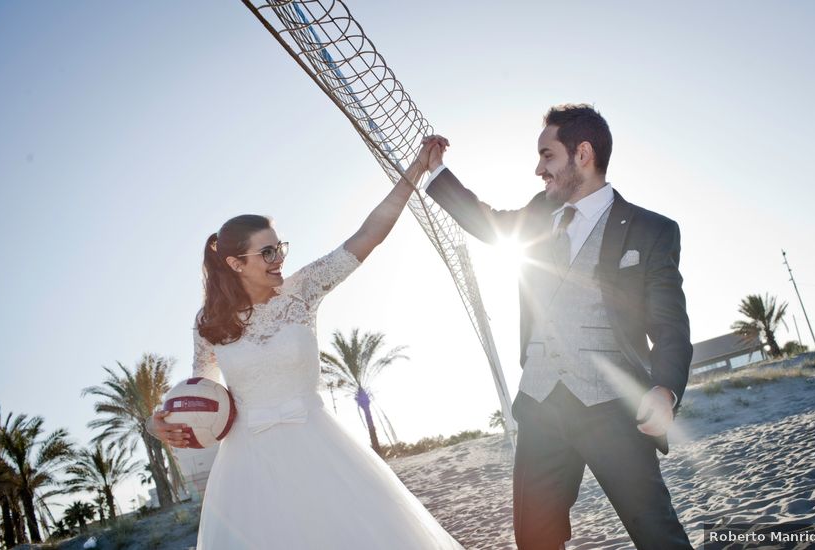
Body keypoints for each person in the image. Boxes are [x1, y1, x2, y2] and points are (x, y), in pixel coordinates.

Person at [148, 142, 463, 549]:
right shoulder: (209, 323)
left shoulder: (303, 291)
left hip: (321, 450)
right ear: (235, 264)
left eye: (279, 247)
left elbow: (369, 234)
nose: (278, 258)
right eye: (266, 252)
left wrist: (416, 168)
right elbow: (200, 391)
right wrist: (161, 420)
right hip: (249, 472)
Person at [419, 104, 693, 549]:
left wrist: (666, 388)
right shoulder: (537, 215)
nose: (538, 169)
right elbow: (486, 223)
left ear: (582, 153)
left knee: (656, 533)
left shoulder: (651, 230)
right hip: (541, 404)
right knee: (535, 539)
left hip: (614, 408)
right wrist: (437, 172)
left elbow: (670, 324)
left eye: (547, 156)